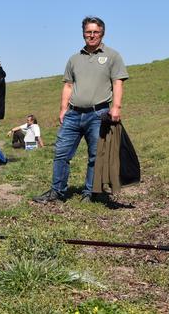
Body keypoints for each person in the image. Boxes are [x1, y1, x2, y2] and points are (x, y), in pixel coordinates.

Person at [34, 16, 128, 204]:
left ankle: (89, 193)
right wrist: (63, 109)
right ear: (83, 33)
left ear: (102, 33)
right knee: (61, 153)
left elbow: (117, 82)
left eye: (95, 32)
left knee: (95, 155)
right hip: (73, 114)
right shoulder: (74, 59)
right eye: (88, 32)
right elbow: (68, 85)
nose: (91, 35)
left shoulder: (112, 56)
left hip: (99, 114)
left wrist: (116, 107)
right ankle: (57, 192)